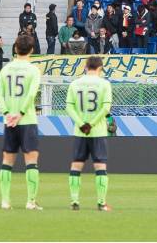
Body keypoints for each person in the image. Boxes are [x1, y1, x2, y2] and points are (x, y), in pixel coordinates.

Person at [0, 35, 42, 210]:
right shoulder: (33, 70)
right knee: (31, 162)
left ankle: (5, 201)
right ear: (31, 50)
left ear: (15, 49)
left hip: (10, 121)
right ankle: (30, 201)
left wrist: (7, 113)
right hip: (27, 120)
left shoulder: (6, 69)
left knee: (7, 162)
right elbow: (31, 95)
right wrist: (20, 113)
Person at [65, 56, 112, 211]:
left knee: (76, 164)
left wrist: (81, 124)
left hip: (80, 131)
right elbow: (105, 108)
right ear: (100, 68)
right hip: (97, 130)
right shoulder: (105, 84)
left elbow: (69, 107)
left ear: (85, 67)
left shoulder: (75, 84)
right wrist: (91, 124)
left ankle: (74, 202)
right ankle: (101, 203)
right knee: (100, 166)